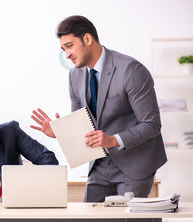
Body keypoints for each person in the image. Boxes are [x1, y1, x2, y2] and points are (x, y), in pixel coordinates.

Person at [31, 15, 167, 202]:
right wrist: (61, 132)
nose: (67, 54)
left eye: (69, 46)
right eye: (63, 49)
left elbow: (152, 124)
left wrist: (113, 140)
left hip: (133, 163)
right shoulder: (75, 76)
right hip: (99, 165)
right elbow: (82, 125)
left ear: (87, 39)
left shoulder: (130, 70)